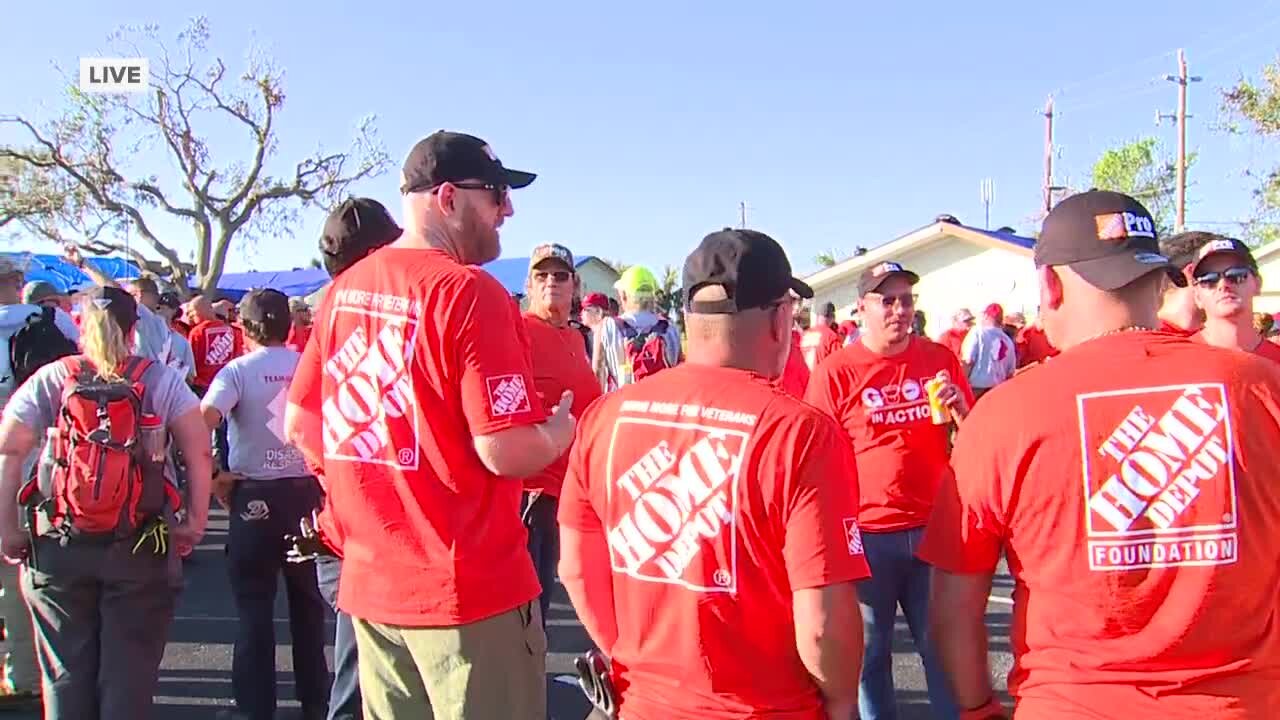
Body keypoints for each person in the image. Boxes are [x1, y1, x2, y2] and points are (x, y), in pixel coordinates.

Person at [921, 190, 1280, 718]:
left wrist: (976, 707)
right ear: (1161, 281)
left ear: (1050, 284)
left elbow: (952, 609)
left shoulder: (1004, 415)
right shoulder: (1261, 388)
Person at [285, 131, 575, 719]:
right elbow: (505, 449)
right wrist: (560, 433)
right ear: (447, 198)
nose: (508, 210)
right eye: (496, 195)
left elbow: (300, 420)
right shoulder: (471, 295)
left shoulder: (343, 292)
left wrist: (359, 498)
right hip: (467, 596)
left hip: (372, 589)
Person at [559, 229, 869, 719]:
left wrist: (629, 658)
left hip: (642, 705)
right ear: (779, 319)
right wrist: (843, 701)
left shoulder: (606, 416)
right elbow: (822, 622)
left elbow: (575, 567)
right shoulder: (802, 434)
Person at [0, 286, 211, 719]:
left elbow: (10, 448)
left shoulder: (56, 377)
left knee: (64, 672)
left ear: (80, 326)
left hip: (59, 542)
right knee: (129, 672)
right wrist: (194, 520)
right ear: (135, 329)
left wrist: (8, 527)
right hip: (140, 542)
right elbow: (199, 451)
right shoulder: (160, 379)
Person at [805, 259, 971, 720]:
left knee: (942, 650)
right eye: (888, 301)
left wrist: (961, 412)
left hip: (933, 529)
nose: (900, 310)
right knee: (869, 659)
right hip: (868, 535)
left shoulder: (938, 360)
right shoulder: (836, 372)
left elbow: (972, 440)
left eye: (906, 300)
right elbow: (815, 459)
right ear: (862, 309)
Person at [288, 195, 401, 720]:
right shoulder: (359, 305)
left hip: (353, 516)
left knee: (362, 667)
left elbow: (299, 421)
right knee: (363, 671)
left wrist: (335, 477)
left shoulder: (332, 307)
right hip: (379, 523)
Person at [202, 289, 329, 720]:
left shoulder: (236, 370)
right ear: (289, 327)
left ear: (243, 328)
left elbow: (205, 417)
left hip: (254, 496)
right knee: (309, 608)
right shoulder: (308, 365)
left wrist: (214, 472)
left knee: (253, 609)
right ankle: (317, 704)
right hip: (307, 494)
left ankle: (255, 710)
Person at [518, 244, 604, 626]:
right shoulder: (518, 332)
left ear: (575, 286)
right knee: (525, 608)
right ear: (530, 287)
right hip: (528, 491)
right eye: (542, 275)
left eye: (560, 275)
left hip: (565, 490)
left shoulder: (575, 338)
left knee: (545, 603)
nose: (551, 282)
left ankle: (530, 681)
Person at [1187, 236, 1280, 363]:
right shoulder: (1178, 362)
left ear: (1258, 284)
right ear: (1197, 296)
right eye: (1209, 279)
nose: (1223, 285)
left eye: (1236, 275)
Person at [596, 265, 682, 388]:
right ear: (652, 296)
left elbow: (597, 376)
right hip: (661, 403)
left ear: (623, 295)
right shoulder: (670, 329)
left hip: (623, 404)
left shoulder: (608, 327)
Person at [1156, 230, 1218, 336]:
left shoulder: (1220, 339)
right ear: (1193, 274)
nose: (1230, 284)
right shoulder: (1142, 341)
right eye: (1220, 273)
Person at [960, 303, 1016, 400]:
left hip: (977, 390)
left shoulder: (978, 332)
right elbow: (1010, 372)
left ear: (986, 316)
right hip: (998, 391)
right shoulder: (1008, 341)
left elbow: (968, 361)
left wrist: (962, 387)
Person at [800, 301, 842, 370]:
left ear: (817, 316)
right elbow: (839, 362)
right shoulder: (830, 336)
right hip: (822, 378)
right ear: (832, 318)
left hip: (805, 378)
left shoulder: (805, 335)